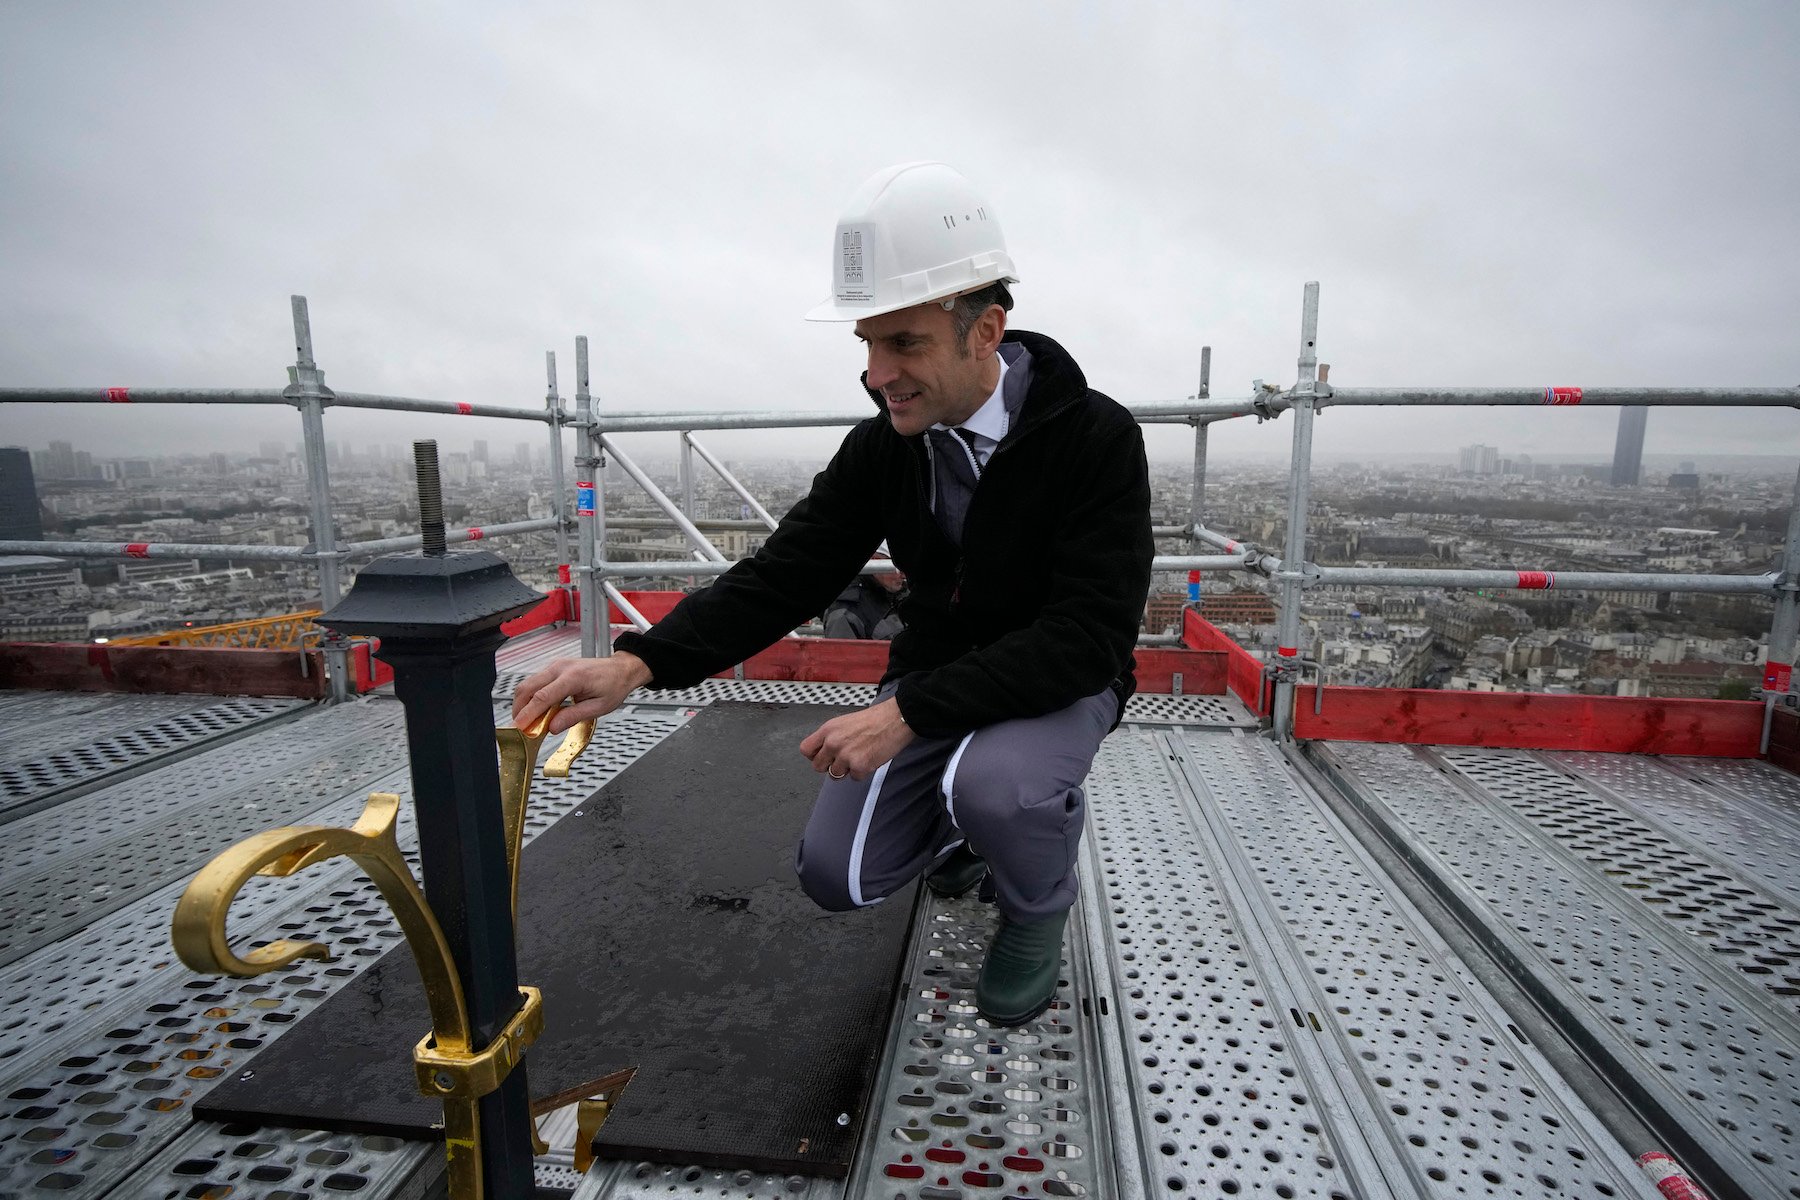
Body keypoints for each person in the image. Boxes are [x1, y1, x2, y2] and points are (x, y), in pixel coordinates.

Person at [514, 161, 1153, 1026]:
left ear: (985, 331)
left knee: (999, 785)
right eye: (867, 345)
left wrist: (909, 713)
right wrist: (640, 663)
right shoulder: (887, 446)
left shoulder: (1095, 438)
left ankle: (1035, 907)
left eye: (904, 344)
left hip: (1059, 683)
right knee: (837, 876)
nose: (875, 372)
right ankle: (971, 833)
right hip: (941, 676)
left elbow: (1087, 635)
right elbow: (790, 571)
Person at [821, 555, 906, 639]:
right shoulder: (846, 612)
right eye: (897, 567)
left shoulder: (902, 595)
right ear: (875, 561)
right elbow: (842, 651)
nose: (903, 575)